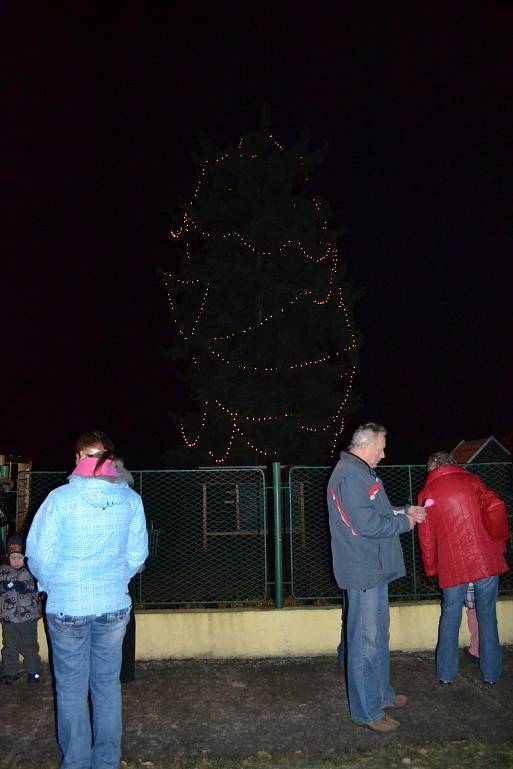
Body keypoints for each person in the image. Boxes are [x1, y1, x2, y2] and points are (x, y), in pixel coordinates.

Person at [26, 430, 148, 769]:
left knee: (71, 688)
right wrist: (115, 581)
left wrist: (56, 585)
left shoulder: (60, 499)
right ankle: (107, 762)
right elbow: (138, 555)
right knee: (107, 685)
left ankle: (77, 762)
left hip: (68, 607)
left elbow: (37, 557)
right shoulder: (130, 500)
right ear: (109, 460)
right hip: (113, 606)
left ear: (79, 459)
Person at [327, 422, 426, 733]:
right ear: (366, 444)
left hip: (375, 569)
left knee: (377, 637)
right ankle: (366, 711)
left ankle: (381, 695)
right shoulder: (348, 476)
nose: (384, 453)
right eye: (381, 447)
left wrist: (404, 511)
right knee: (364, 644)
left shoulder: (360, 473)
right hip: (364, 572)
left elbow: (378, 513)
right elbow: (366, 525)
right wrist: (405, 525)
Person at [417, 451, 509, 686]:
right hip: (485, 559)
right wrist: (499, 545)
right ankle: (491, 674)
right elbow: (493, 510)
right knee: (487, 617)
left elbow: (426, 539)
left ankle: (446, 674)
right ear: (452, 464)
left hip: (452, 564)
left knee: (450, 617)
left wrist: (431, 569)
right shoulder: (472, 480)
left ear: (431, 469)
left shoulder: (427, 494)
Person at [0, 534, 42, 684]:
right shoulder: (3, 571)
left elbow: (38, 587)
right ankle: (9, 672)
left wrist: (25, 587)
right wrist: (3, 586)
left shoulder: (31, 571)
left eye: (20, 557)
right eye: (13, 557)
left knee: (29, 645)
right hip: (9, 618)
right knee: (9, 646)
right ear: (7, 557)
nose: (16, 561)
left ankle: (34, 671)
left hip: (28, 618)